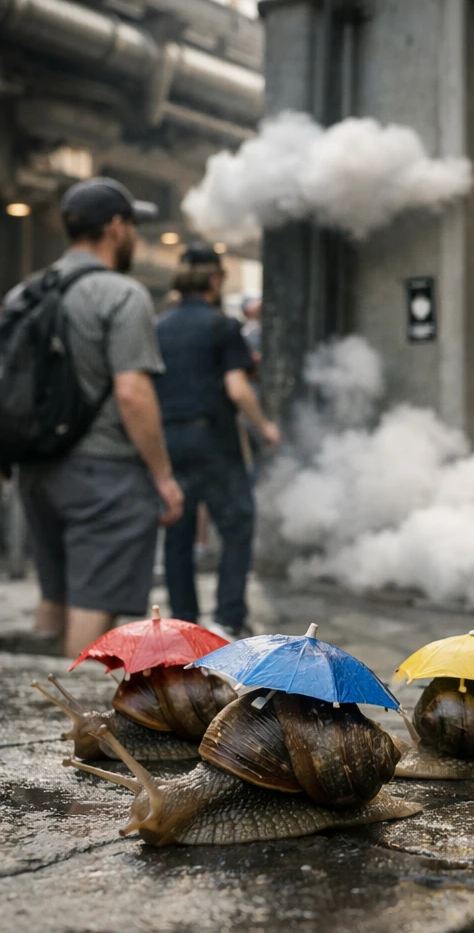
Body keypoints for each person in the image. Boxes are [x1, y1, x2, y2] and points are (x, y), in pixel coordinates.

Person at [5, 177, 183, 657]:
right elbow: (132, 393)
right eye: (133, 227)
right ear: (117, 227)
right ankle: (73, 703)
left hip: (37, 470)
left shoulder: (25, 292)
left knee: (55, 593)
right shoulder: (121, 294)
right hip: (104, 475)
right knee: (93, 602)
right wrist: (163, 476)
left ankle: (31, 695)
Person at [155, 245, 280, 639]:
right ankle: (227, 617)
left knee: (178, 532)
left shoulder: (159, 326)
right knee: (237, 524)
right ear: (214, 280)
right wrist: (264, 426)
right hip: (213, 439)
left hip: (169, 438)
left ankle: (183, 621)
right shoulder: (222, 326)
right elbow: (237, 388)